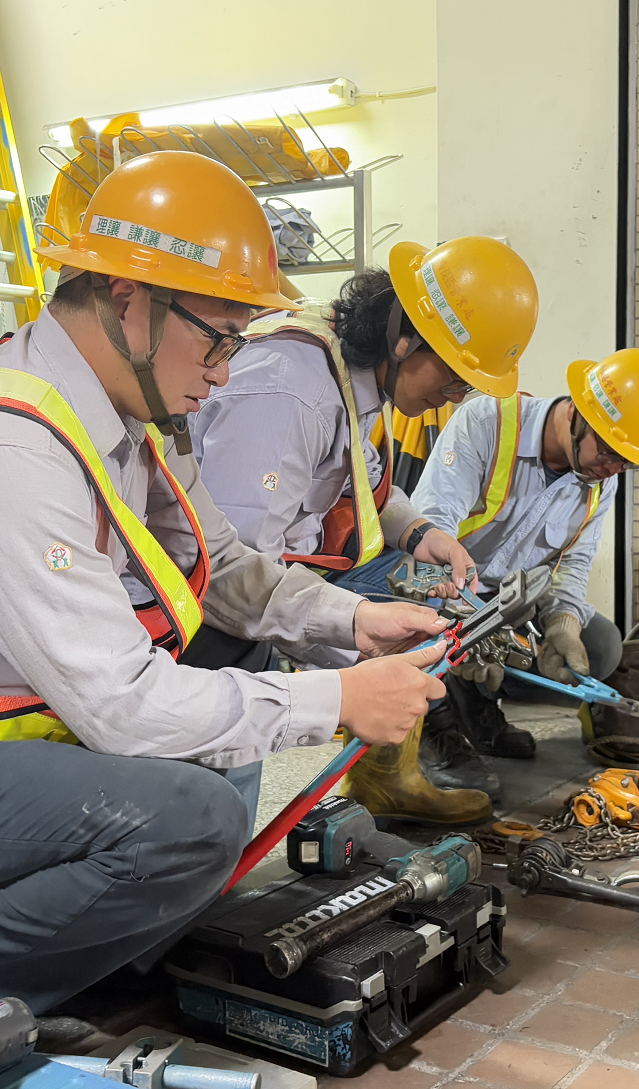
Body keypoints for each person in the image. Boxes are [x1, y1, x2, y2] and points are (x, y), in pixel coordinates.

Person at [0, 152, 450, 1066]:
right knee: (190, 819)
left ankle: (45, 971)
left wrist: (348, 625)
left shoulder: (117, 421)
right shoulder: (2, 451)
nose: (227, 371)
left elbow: (216, 559)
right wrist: (336, 703)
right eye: (219, 336)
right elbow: (121, 704)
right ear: (130, 299)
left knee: (210, 767)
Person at [190, 241, 541, 826]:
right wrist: (347, 656)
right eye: (453, 375)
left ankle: (386, 775)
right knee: (214, 821)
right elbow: (229, 578)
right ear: (403, 337)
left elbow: (367, 483)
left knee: (432, 599)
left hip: (274, 574)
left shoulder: (357, 374)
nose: (455, 396)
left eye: (468, 386)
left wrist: (421, 532)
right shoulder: (292, 394)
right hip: (210, 613)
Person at [407, 348, 639, 799]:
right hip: (438, 588)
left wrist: (563, 627)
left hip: (507, 602)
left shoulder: (600, 481)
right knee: (412, 600)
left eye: (627, 462)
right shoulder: (488, 424)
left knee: (600, 647)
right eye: (611, 451)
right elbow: (429, 533)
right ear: (577, 412)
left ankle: (476, 705)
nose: (613, 468)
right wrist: (465, 623)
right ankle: (437, 731)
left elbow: (572, 564)